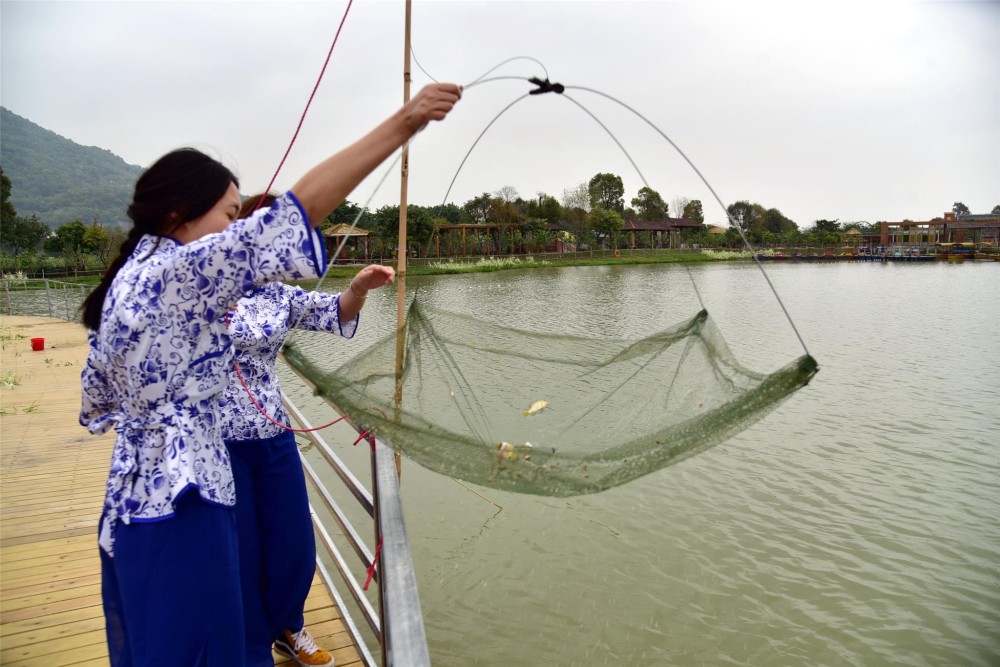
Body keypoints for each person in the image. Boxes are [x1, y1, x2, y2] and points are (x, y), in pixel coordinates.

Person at [79, 83, 460, 667]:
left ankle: (283, 625)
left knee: (161, 643)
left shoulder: (128, 281)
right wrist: (405, 121)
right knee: (207, 642)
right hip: (189, 495)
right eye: (230, 217)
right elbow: (298, 211)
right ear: (179, 214)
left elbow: (97, 401)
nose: (235, 232)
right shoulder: (180, 276)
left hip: (134, 498)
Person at [221, 193, 391, 667]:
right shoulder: (206, 287)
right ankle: (252, 645)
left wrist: (357, 288)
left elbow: (331, 311)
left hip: (273, 433)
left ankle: (288, 627)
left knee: (292, 538)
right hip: (219, 440)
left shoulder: (279, 293)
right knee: (243, 546)